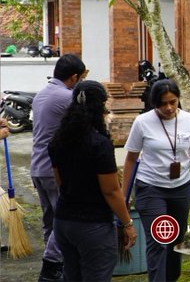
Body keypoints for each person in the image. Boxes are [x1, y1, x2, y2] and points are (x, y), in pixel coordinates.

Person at [47, 79, 137, 282]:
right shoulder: (99, 144)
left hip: (63, 222)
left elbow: (60, 182)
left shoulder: (57, 141)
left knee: (72, 276)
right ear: (100, 107)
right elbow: (111, 191)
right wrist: (128, 224)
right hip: (93, 226)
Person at [123, 79, 190, 282]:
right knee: (159, 241)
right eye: (163, 104)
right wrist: (123, 193)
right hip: (151, 187)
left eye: (173, 101)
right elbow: (131, 158)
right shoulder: (143, 122)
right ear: (154, 103)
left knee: (176, 240)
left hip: (181, 187)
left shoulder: (189, 120)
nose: (169, 107)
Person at [30, 52, 87, 282]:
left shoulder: (41, 94)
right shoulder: (67, 98)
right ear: (73, 78)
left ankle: (53, 258)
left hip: (37, 166)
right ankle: (51, 264)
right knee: (63, 217)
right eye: (81, 78)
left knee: (50, 220)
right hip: (55, 169)